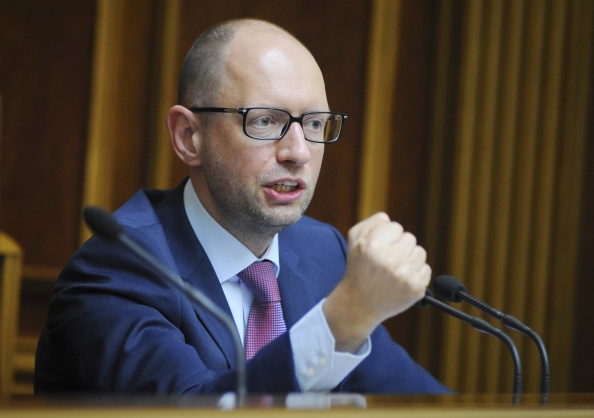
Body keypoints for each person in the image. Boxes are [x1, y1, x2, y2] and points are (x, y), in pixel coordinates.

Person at [35, 18, 450, 395]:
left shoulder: (321, 254)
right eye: (266, 121)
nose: (298, 152)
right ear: (188, 137)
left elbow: (418, 403)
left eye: (314, 124)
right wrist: (343, 319)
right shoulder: (116, 270)